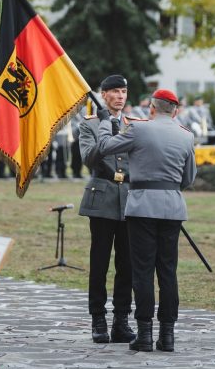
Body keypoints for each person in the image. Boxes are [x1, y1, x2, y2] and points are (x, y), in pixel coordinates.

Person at [97, 88, 197, 353]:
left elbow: (105, 147)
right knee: (168, 271)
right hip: (172, 207)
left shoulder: (139, 129)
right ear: (175, 111)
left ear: (152, 108)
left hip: (142, 206)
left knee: (142, 271)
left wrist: (106, 122)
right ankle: (167, 335)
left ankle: (144, 334)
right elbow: (188, 177)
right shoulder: (186, 135)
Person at [78, 75, 135, 344]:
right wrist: (104, 125)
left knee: (128, 264)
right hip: (102, 197)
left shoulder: (133, 125)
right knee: (99, 262)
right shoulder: (89, 124)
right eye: (115, 92)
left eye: (123, 91)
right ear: (104, 95)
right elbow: (89, 158)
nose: (120, 96)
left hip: (130, 200)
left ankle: (121, 320)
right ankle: (98, 318)